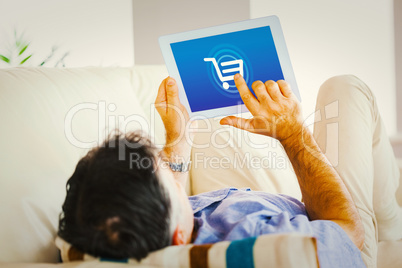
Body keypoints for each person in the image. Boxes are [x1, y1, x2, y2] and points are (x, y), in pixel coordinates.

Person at [58, 74, 401, 268]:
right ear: (178, 238)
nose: (171, 168)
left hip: (235, 206)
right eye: (171, 181)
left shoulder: (110, 227)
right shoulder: (257, 246)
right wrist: (293, 135)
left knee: (212, 122)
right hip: (339, 221)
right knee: (344, 90)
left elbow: (160, 207)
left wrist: (178, 139)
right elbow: (347, 234)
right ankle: (388, 223)